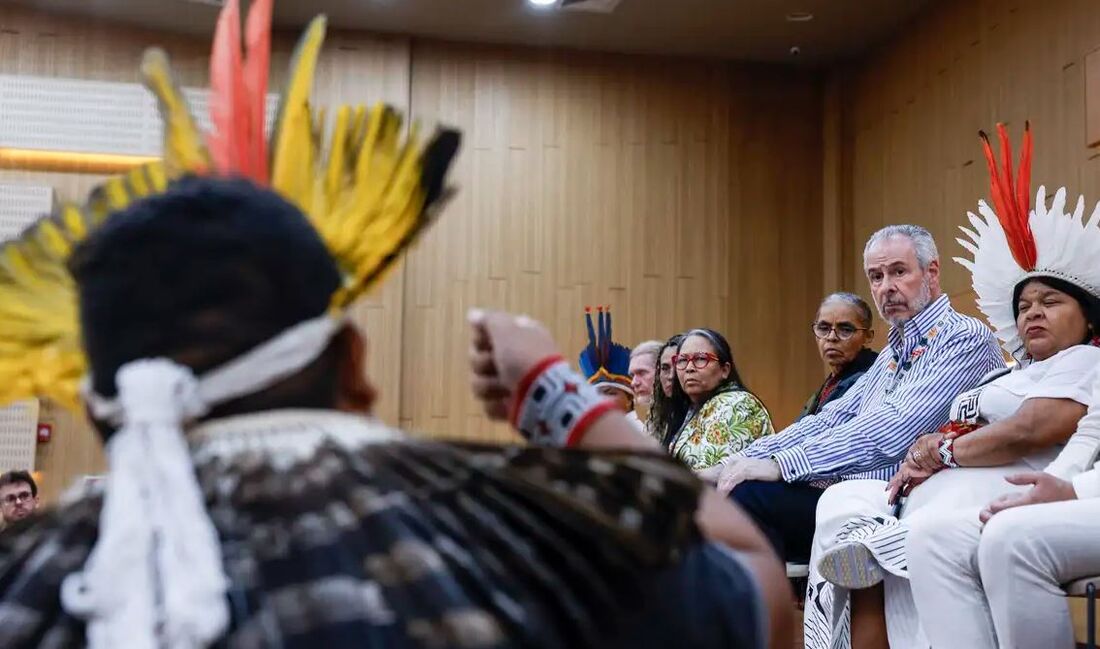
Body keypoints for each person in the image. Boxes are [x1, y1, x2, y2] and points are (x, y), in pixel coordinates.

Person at [0, 4, 792, 648]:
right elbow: (756, 588)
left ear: (101, 406)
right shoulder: (520, 530)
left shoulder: (24, 581)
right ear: (355, 361)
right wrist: (558, 397)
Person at [826, 124, 1100, 649]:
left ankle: (880, 541)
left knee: (981, 536)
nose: (1033, 313)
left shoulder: (1084, 362)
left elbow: (1036, 428)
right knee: (882, 521)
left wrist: (944, 451)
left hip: (1013, 487)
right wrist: (928, 452)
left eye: (1051, 302)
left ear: (1089, 319)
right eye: (1024, 306)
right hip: (955, 492)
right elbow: (1082, 438)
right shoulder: (1012, 372)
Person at [704, 223, 1004, 567]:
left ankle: (765, 617)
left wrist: (780, 465)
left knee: (747, 495)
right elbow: (832, 418)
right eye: (876, 277)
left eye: (898, 272)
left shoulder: (963, 337)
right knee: (718, 492)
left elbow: (896, 428)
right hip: (853, 496)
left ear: (931, 271)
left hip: (906, 502)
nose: (886, 288)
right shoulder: (893, 352)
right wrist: (732, 465)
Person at [668, 329, 773, 472]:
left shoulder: (738, 404)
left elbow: (711, 476)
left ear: (725, 370)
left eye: (701, 359)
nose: (689, 368)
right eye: (682, 360)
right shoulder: (696, 407)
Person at [799, 293, 877, 420]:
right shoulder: (834, 379)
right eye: (823, 328)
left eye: (845, 330)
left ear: (868, 336)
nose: (831, 337)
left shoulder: (872, 377)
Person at [578, 306, 634, 415]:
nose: (601, 400)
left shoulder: (639, 431)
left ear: (629, 400)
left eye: (610, 393)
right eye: (595, 395)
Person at [649, 334, 687, 447]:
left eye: (678, 366)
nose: (671, 376)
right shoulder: (661, 413)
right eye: (665, 368)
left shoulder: (702, 415)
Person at [627, 340, 662, 433]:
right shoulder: (652, 419)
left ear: (664, 371)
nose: (634, 383)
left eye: (642, 373)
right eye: (632, 376)